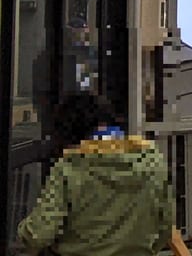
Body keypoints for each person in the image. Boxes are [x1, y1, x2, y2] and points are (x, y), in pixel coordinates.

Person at [18, 92, 173, 255]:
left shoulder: (69, 168)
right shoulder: (152, 162)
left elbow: (39, 234)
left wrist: (22, 233)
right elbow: (165, 226)